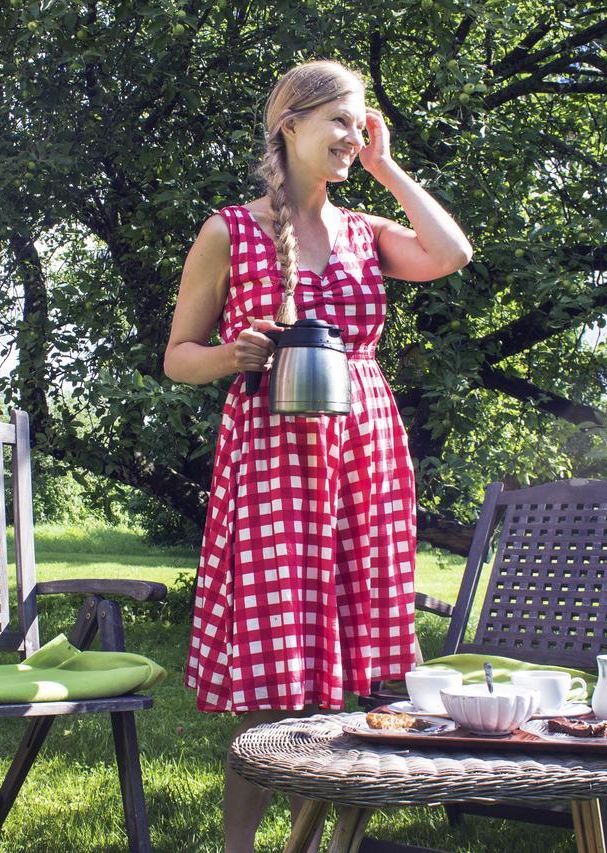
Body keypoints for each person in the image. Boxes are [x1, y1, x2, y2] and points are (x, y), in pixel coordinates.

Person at [162, 59, 473, 853]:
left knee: (355, 672)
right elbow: (176, 357)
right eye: (339, 120)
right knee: (275, 675)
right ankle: (239, 848)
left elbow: (452, 252)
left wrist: (386, 165)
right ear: (289, 125)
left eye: (361, 120)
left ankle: (325, 844)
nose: (352, 134)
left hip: (362, 454)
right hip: (272, 459)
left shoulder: (366, 230)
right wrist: (234, 354)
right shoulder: (228, 229)